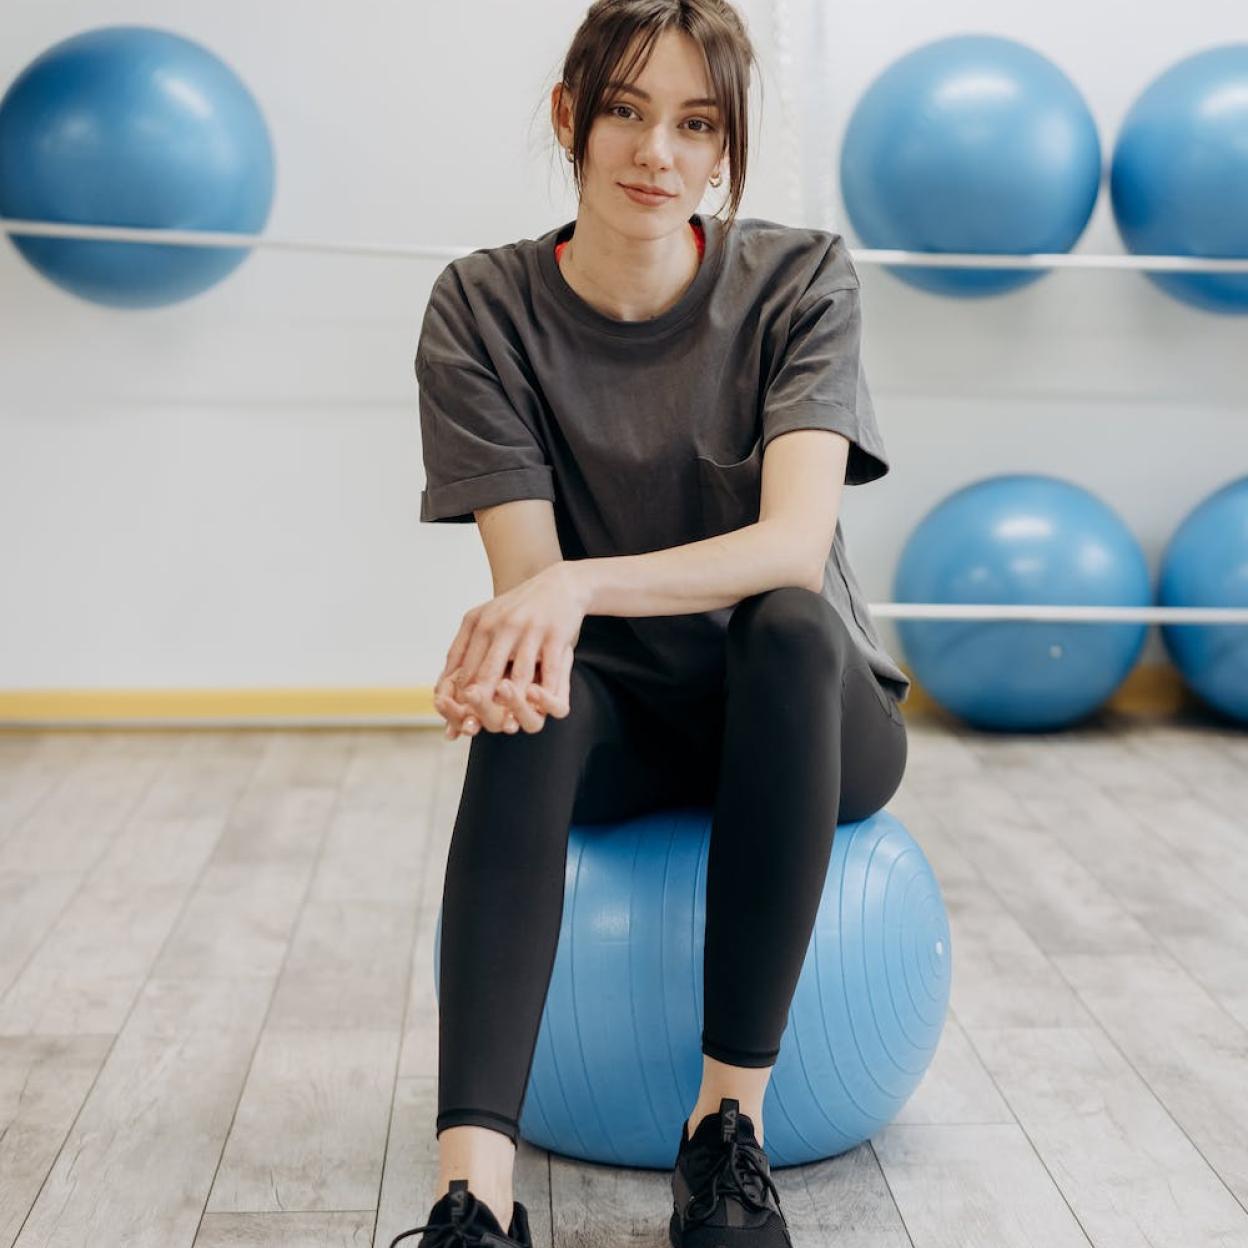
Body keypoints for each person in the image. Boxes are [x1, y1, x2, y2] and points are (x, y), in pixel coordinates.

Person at [389, 3, 909, 1246]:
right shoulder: (480, 306)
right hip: (619, 723)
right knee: (534, 691)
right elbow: (529, 580)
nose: (655, 153)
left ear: (727, 146)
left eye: (695, 123)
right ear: (570, 115)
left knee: (783, 624)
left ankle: (723, 1135)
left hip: (806, 715)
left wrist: (572, 588)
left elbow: (791, 547)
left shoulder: (800, 279)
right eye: (625, 110)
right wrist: (523, 637)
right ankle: (475, 1195)